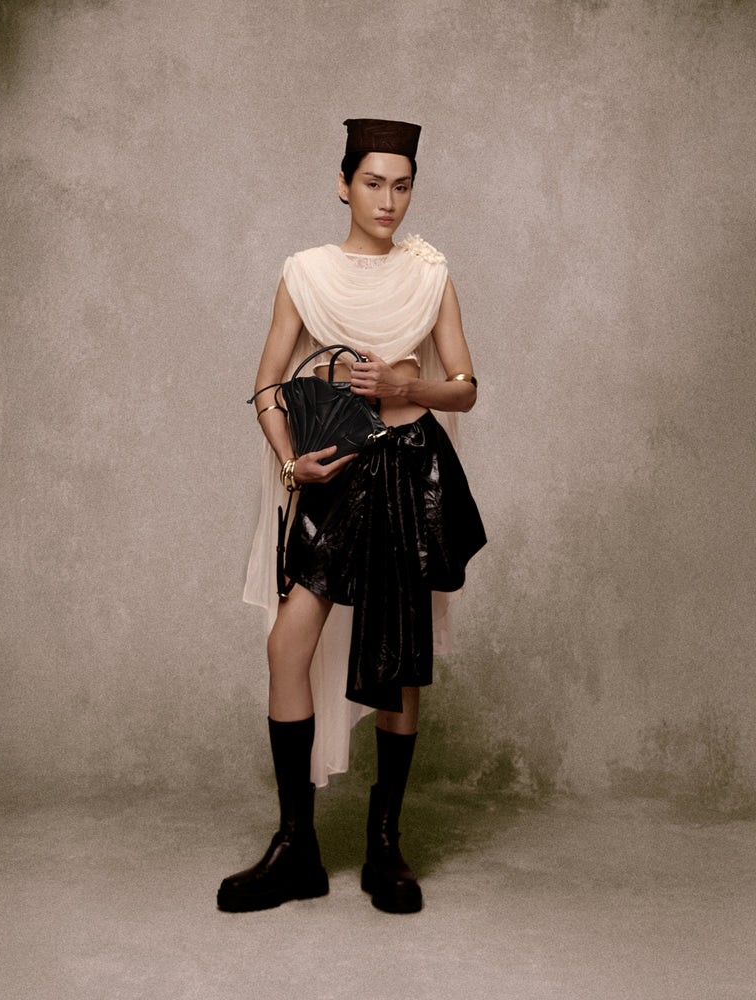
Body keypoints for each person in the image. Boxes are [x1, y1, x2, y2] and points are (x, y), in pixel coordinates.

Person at [217, 118, 486, 915]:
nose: (388, 201)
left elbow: (466, 386)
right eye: (373, 183)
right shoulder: (304, 273)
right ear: (343, 184)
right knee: (287, 644)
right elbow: (268, 385)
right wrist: (290, 463)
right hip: (335, 474)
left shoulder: (431, 274)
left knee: (398, 659)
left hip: (409, 472)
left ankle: (385, 846)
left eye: (402, 185)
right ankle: (296, 847)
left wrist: (408, 389)